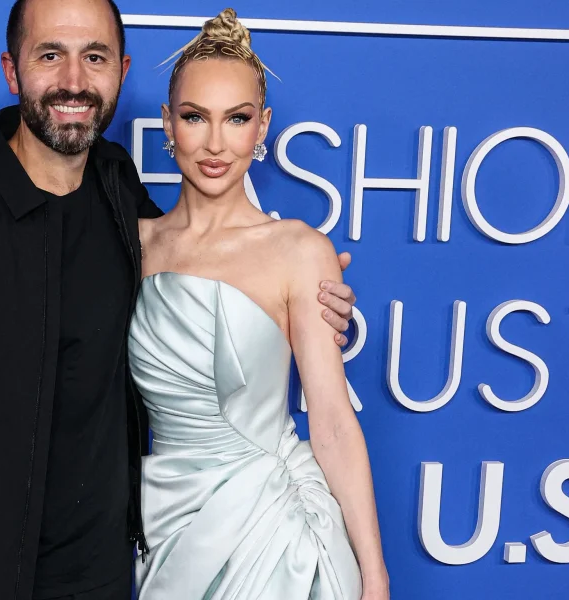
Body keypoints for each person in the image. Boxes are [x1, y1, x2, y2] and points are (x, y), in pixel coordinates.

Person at [0, 1, 358, 598]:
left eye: (95, 57)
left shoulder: (115, 182)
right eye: (50, 55)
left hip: (115, 570)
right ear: (12, 71)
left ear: (122, 70)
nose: (74, 82)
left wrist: (301, 295)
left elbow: (190, 271)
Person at [130, 8, 388, 600]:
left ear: (262, 125)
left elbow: (331, 423)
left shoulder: (299, 249)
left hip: (278, 539)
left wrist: (374, 576)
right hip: (166, 527)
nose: (216, 143)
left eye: (237, 118)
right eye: (195, 117)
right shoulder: (132, 245)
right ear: (168, 123)